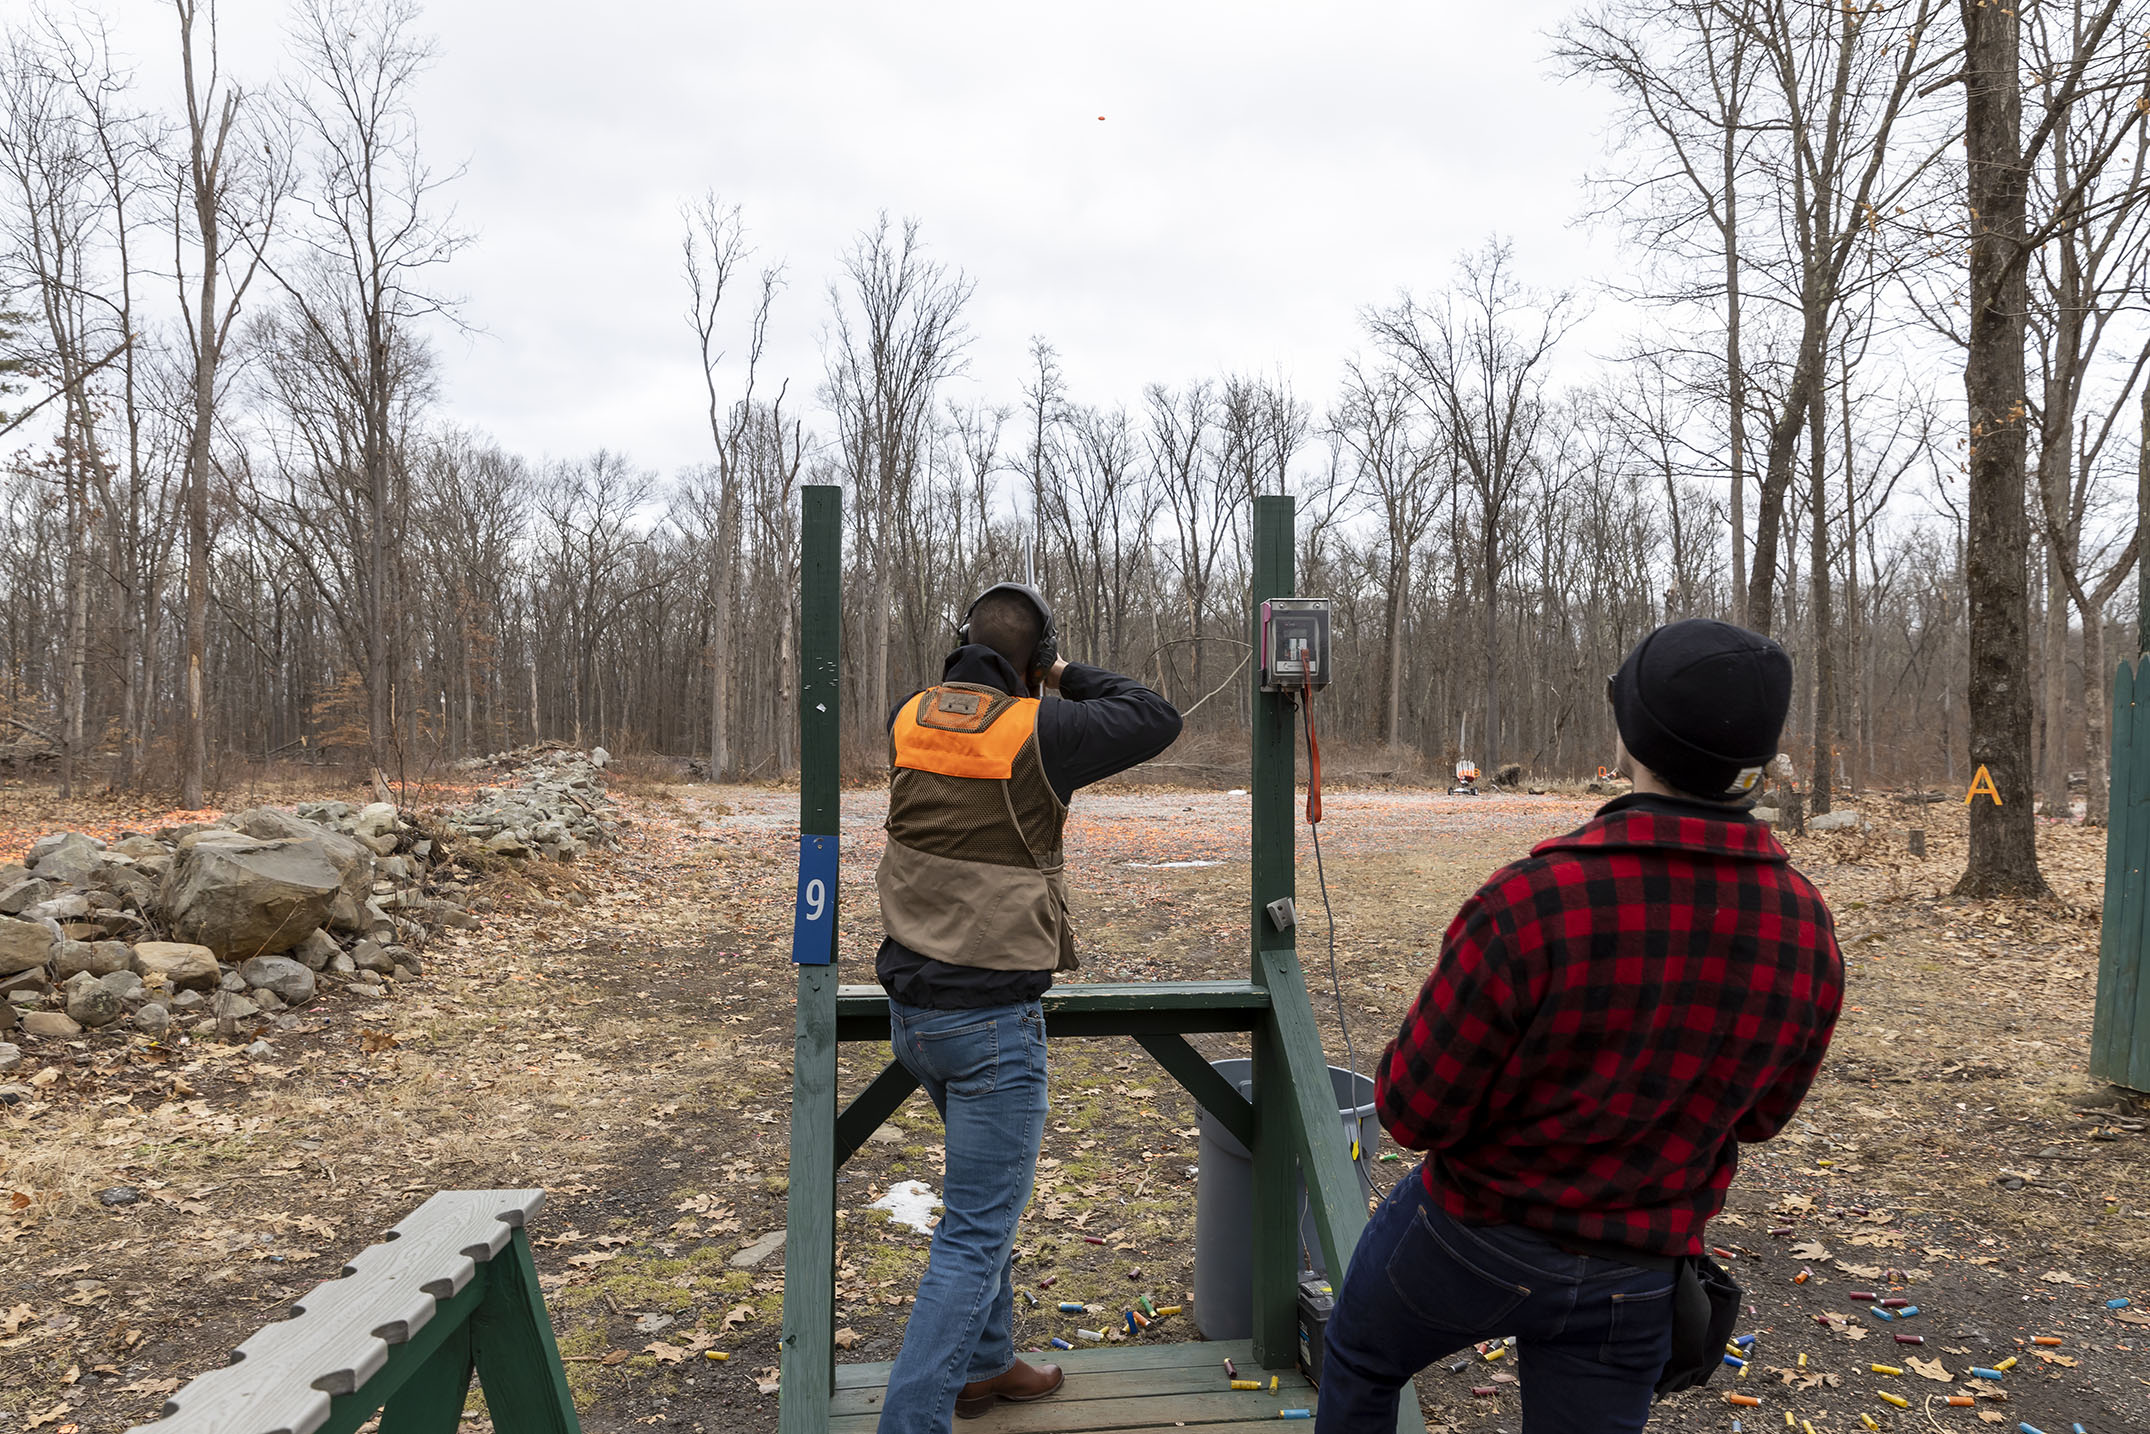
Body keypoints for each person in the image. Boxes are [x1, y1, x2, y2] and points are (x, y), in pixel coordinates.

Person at [1317, 618, 1844, 1434]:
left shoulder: (1530, 901)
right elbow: (1762, 1117)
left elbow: (1412, 1112)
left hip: (1473, 1236)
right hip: (1638, 1268)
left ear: (1632, 733)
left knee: (1360, 1357)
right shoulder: (1806, 926)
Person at [874, 582, 1182, 1433]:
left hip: (914, 1015)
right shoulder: (1041, 727)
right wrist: (1060, 673)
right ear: (1035, 656)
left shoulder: (908, 716)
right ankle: (911, 1422)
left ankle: (984, 1367)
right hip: (990, 1022)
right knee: (975, 1233)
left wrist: (1028, 672)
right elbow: (1154, 716)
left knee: (983, 1205)